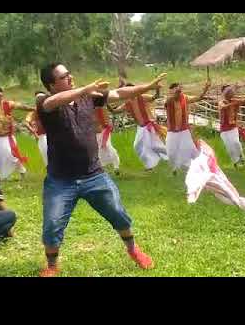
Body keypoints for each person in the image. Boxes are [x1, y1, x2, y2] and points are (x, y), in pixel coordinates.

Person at [37, 62, 167, 277]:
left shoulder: (87, 97)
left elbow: (118, 93)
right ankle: (52, 266)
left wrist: (146, 87)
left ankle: (133, 250)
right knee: (52, 224)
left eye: (70, 74)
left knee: (118, 213)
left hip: (94, 175)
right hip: (61, 180)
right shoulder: (45, 101)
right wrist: (84, 90)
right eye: (64, 77)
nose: (70, 78)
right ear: (51, 85)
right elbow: (53, 102)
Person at [185, 139, 245, 212]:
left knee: (228, 194)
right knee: (227, 192)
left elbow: (204, 168)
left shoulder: (202, 150)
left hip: (209, 168)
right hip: (208, 167)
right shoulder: (198, 148)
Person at [111, 81, 168, 171]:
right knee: (138, 146)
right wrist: (106, 104)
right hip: (141, 128)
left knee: (155, 145)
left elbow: (155, 97)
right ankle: (152, 164)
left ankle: (168, 157)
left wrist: (157, 89)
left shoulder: (142, 97)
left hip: (150, 125)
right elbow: (115, 111)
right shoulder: (127, 103)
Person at [0, 87, 36, 180]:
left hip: (8, 137)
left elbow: (21, 106)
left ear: (1, 96)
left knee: (11, 155)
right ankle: (4, 176)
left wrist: (33, 109)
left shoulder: (8, 104)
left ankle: (22, 172)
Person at [164, 81, 211, 174]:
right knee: (170, 152)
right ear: (171, 92)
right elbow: (170, 99)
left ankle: (196, 168)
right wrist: (176, 91)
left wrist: (205, 89)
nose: (177, 92)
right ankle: (175, 168)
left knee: (189, 150)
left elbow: (199, 97)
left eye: (178, 89)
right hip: (172, 132)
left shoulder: (185, 98)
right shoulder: (169, 100)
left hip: (184, 131)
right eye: (174, 90)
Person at [219, 84, 245, 167]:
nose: (231, 93)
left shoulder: (235, 101)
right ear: (224, 93)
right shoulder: (221, 102)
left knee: (236, 143)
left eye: (231, 91)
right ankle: (236, 163)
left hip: (233, 128)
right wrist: (233, 104)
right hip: (224, 130)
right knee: (229, 147)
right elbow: (223, 107)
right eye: (229, 91)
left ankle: (242, 159)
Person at [94, 105, 120, 175]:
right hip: (95, 133)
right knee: (98, 151)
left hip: (104, 130)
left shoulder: (101, 105)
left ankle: (116, 166)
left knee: (108, 147)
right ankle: (102, 168)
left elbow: (108, 112)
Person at [24, 91, 48, 166]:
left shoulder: (50, 108)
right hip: (42, 137)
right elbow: (26, 123)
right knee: (47, 157)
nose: (40, 100)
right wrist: (34, 132)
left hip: (53, 135)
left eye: (41, 99)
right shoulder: (34, 112)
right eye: (38, 99)